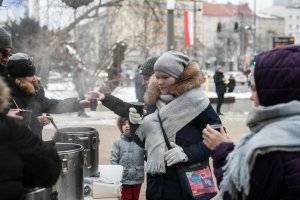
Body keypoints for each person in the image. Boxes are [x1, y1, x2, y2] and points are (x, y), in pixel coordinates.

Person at [202, 45, 300, 200]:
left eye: (255, 90)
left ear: (275, 92)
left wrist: (222, 151)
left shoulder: (268, 149)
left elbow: (236, 194)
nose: (251, 97)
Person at [128, 51, 221, 200]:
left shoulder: (197, 102)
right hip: (156, 183)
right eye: (157, 77)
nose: (160, 82)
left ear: (179, 77)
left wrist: (186, 153)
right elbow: (143, 143)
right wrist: (134, 126)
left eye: (165, 77)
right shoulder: (152, 101)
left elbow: (218, 138)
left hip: (188, 183)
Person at [0, 77, 61, 199]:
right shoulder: (9, 129)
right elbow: (48, 169)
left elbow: (51, 104)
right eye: (30, 75)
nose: (36, 78)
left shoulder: (36, 93)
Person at [6, 53, 92, 137]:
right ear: (18, 78)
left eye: (34, 74)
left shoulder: (34, 93)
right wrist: (35, 122)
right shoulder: (5, 98)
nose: (34, 78)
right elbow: (7, 129)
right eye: (30, 75)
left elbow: (53, 105)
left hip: (34, 146)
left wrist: (79, 104)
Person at [110, 117, 145, 200]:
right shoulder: (117, 142)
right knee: (126, 198)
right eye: (124, 124)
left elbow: (148, 154)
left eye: (129, 124)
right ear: (120, 127)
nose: (127, 126)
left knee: (135, 198)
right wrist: (115, 175)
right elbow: (113, 159)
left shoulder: (141, 141)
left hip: (137, 176)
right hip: (124, 178)